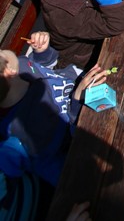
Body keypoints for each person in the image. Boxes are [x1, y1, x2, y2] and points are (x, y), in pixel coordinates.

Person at [0, 32, 107, 186]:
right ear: (9, 72)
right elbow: (72, 137)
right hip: (87, 125)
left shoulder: (21, 64)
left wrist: (42, 52)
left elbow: (46, 67)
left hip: (84, 82)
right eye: (1, 52)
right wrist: (77, 98)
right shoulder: (27, 129)